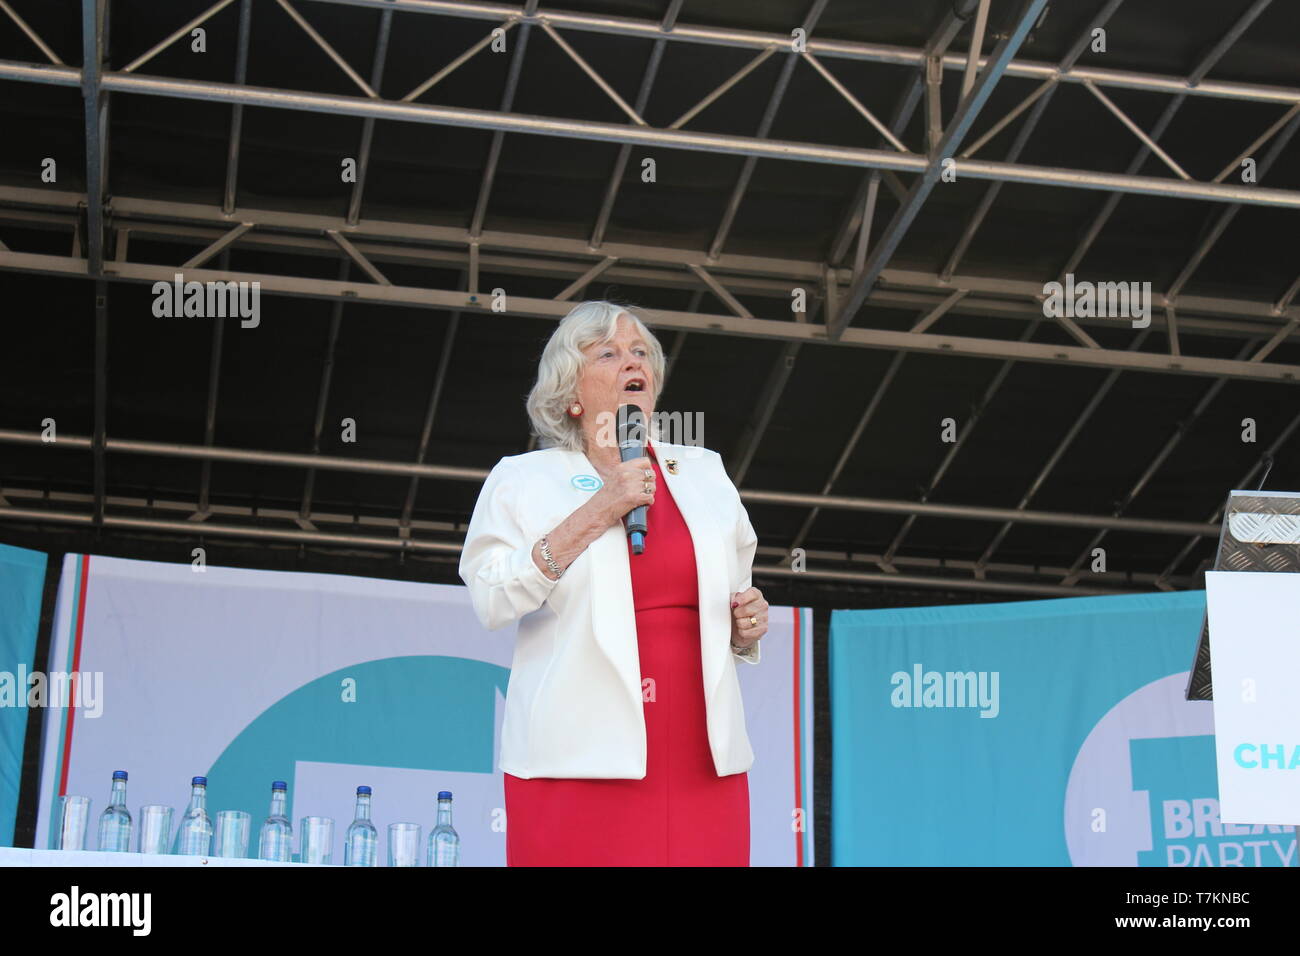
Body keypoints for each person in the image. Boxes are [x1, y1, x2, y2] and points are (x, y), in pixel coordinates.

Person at [459, 300, 768, 866]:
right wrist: (599, 510)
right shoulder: (522, 479)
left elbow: (737, 599)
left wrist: (747, 628)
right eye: (608, 353)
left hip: (702, 753)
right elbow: (491, 597)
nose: (634, 362)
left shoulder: (703, 471)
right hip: (579, 756)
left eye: (640, 352)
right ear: (570, 392)